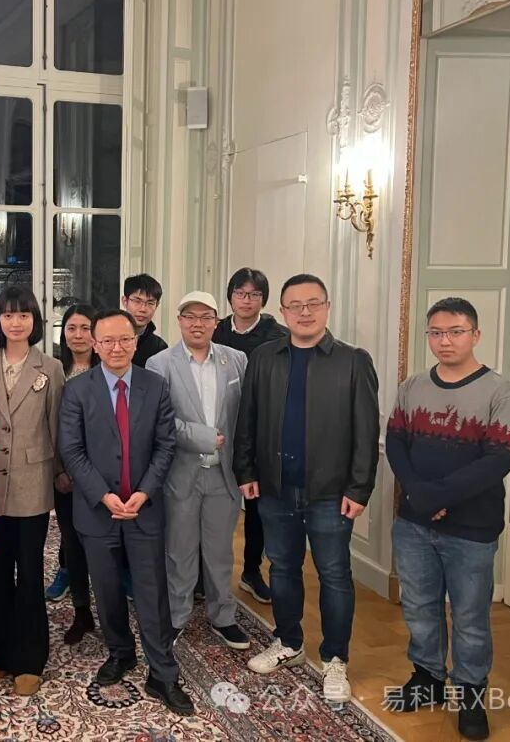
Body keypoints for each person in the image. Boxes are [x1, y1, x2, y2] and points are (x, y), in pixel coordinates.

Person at [233, 273, 379, 705]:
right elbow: (248, 417)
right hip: (276, 488)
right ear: (282, 312)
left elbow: (366, 432)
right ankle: (288, 641)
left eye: (313, 303)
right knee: (281, 568)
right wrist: (245, 469)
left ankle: (335, 658)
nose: (304, 312)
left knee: (334, 574)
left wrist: (360, 487)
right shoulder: (265, 358)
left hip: (331, 493)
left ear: (327, 307)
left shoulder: (352, 361)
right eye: (294, 305)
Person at [385, 298, 510, 741]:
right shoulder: (413, 387)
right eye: (436, 333)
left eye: (455, 332)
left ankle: (471, 694)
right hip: (413, 524)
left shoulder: (501, 394)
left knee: (469, 617)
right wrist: (419, 495)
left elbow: (498, 459)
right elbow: (395, 442)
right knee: (419, 607)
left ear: (475, 335)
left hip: (471, 529)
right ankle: (427, 678)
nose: (445, 341)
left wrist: (437, 497)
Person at [58, 309, 195, 716]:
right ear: (95, 345)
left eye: (125, 339)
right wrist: (103, 495)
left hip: (144, 509)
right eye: (108, 340)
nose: (117, 347)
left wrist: (144, 492)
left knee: (152, 592)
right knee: (107, 590)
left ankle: (163, 672)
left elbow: (166, 445)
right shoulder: (77, 390)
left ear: (136, 342)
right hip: (96, 510)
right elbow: (71, 450)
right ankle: (120, 652)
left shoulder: (155, 385)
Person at [0, 287, 65, 696]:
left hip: (32, 483)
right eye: (8, 315)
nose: (15, 322)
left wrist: (61, 473)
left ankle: (29, 658)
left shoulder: (51, 367)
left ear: (34, 320)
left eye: (24, 315)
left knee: (28, 573)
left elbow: (57, 425)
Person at [147, 292, 250, 650]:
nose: (197, 324)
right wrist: (203, 438)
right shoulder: (160, 364)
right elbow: (159, 420)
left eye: (206, 317)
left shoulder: (236, 360)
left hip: (224, 475)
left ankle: (223, 617)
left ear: (216, 323)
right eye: (190, 316)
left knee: (221, 552)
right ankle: (177, 616)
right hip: (181, 474)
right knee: (180, 551)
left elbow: (246, 415)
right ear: (179, 321)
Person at [212, 267, 288, 603]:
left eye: (254, 294)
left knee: (256, 506)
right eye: (241, 293)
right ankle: (204, 573)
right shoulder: (214, 330)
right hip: (216, 428)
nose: (247, 300)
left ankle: (251, 570)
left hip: (259, 432)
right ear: (230, 296)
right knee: (213, 503)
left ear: (263, 300)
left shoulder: (278, 336)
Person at [45, 304, 97, 646]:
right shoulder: (53, 372)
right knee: (73, 544)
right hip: (64, 476)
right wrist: (59, 470)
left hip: (101, 476)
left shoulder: (108, 370)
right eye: (71, 328)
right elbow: (47, 426)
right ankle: (82, 612)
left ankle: (109, 610)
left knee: (102, 547)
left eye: (85, 328)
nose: (78, 335)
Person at [122, 274, 168, 368]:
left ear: (157, 305)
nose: (143, 309)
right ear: (125, 301)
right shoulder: (105, 339)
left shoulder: (159, 348)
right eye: (137, 301)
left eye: (150, 303)